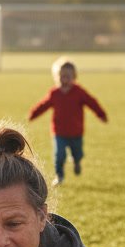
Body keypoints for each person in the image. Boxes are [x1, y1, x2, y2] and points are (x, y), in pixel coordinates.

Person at [28, 57, 108, 185]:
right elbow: (44, 105)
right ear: (56, 77)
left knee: (78, 153)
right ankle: (59, 176)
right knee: (59, 156)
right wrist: (33, 114)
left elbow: (92, 102)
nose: (64, 80)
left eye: (68, 76)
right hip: (59, 132)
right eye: (61, 76)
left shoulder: (79, 92)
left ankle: (77, 161)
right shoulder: (54, 93)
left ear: (74, 77)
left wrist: (101, 114)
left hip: (76, 132)